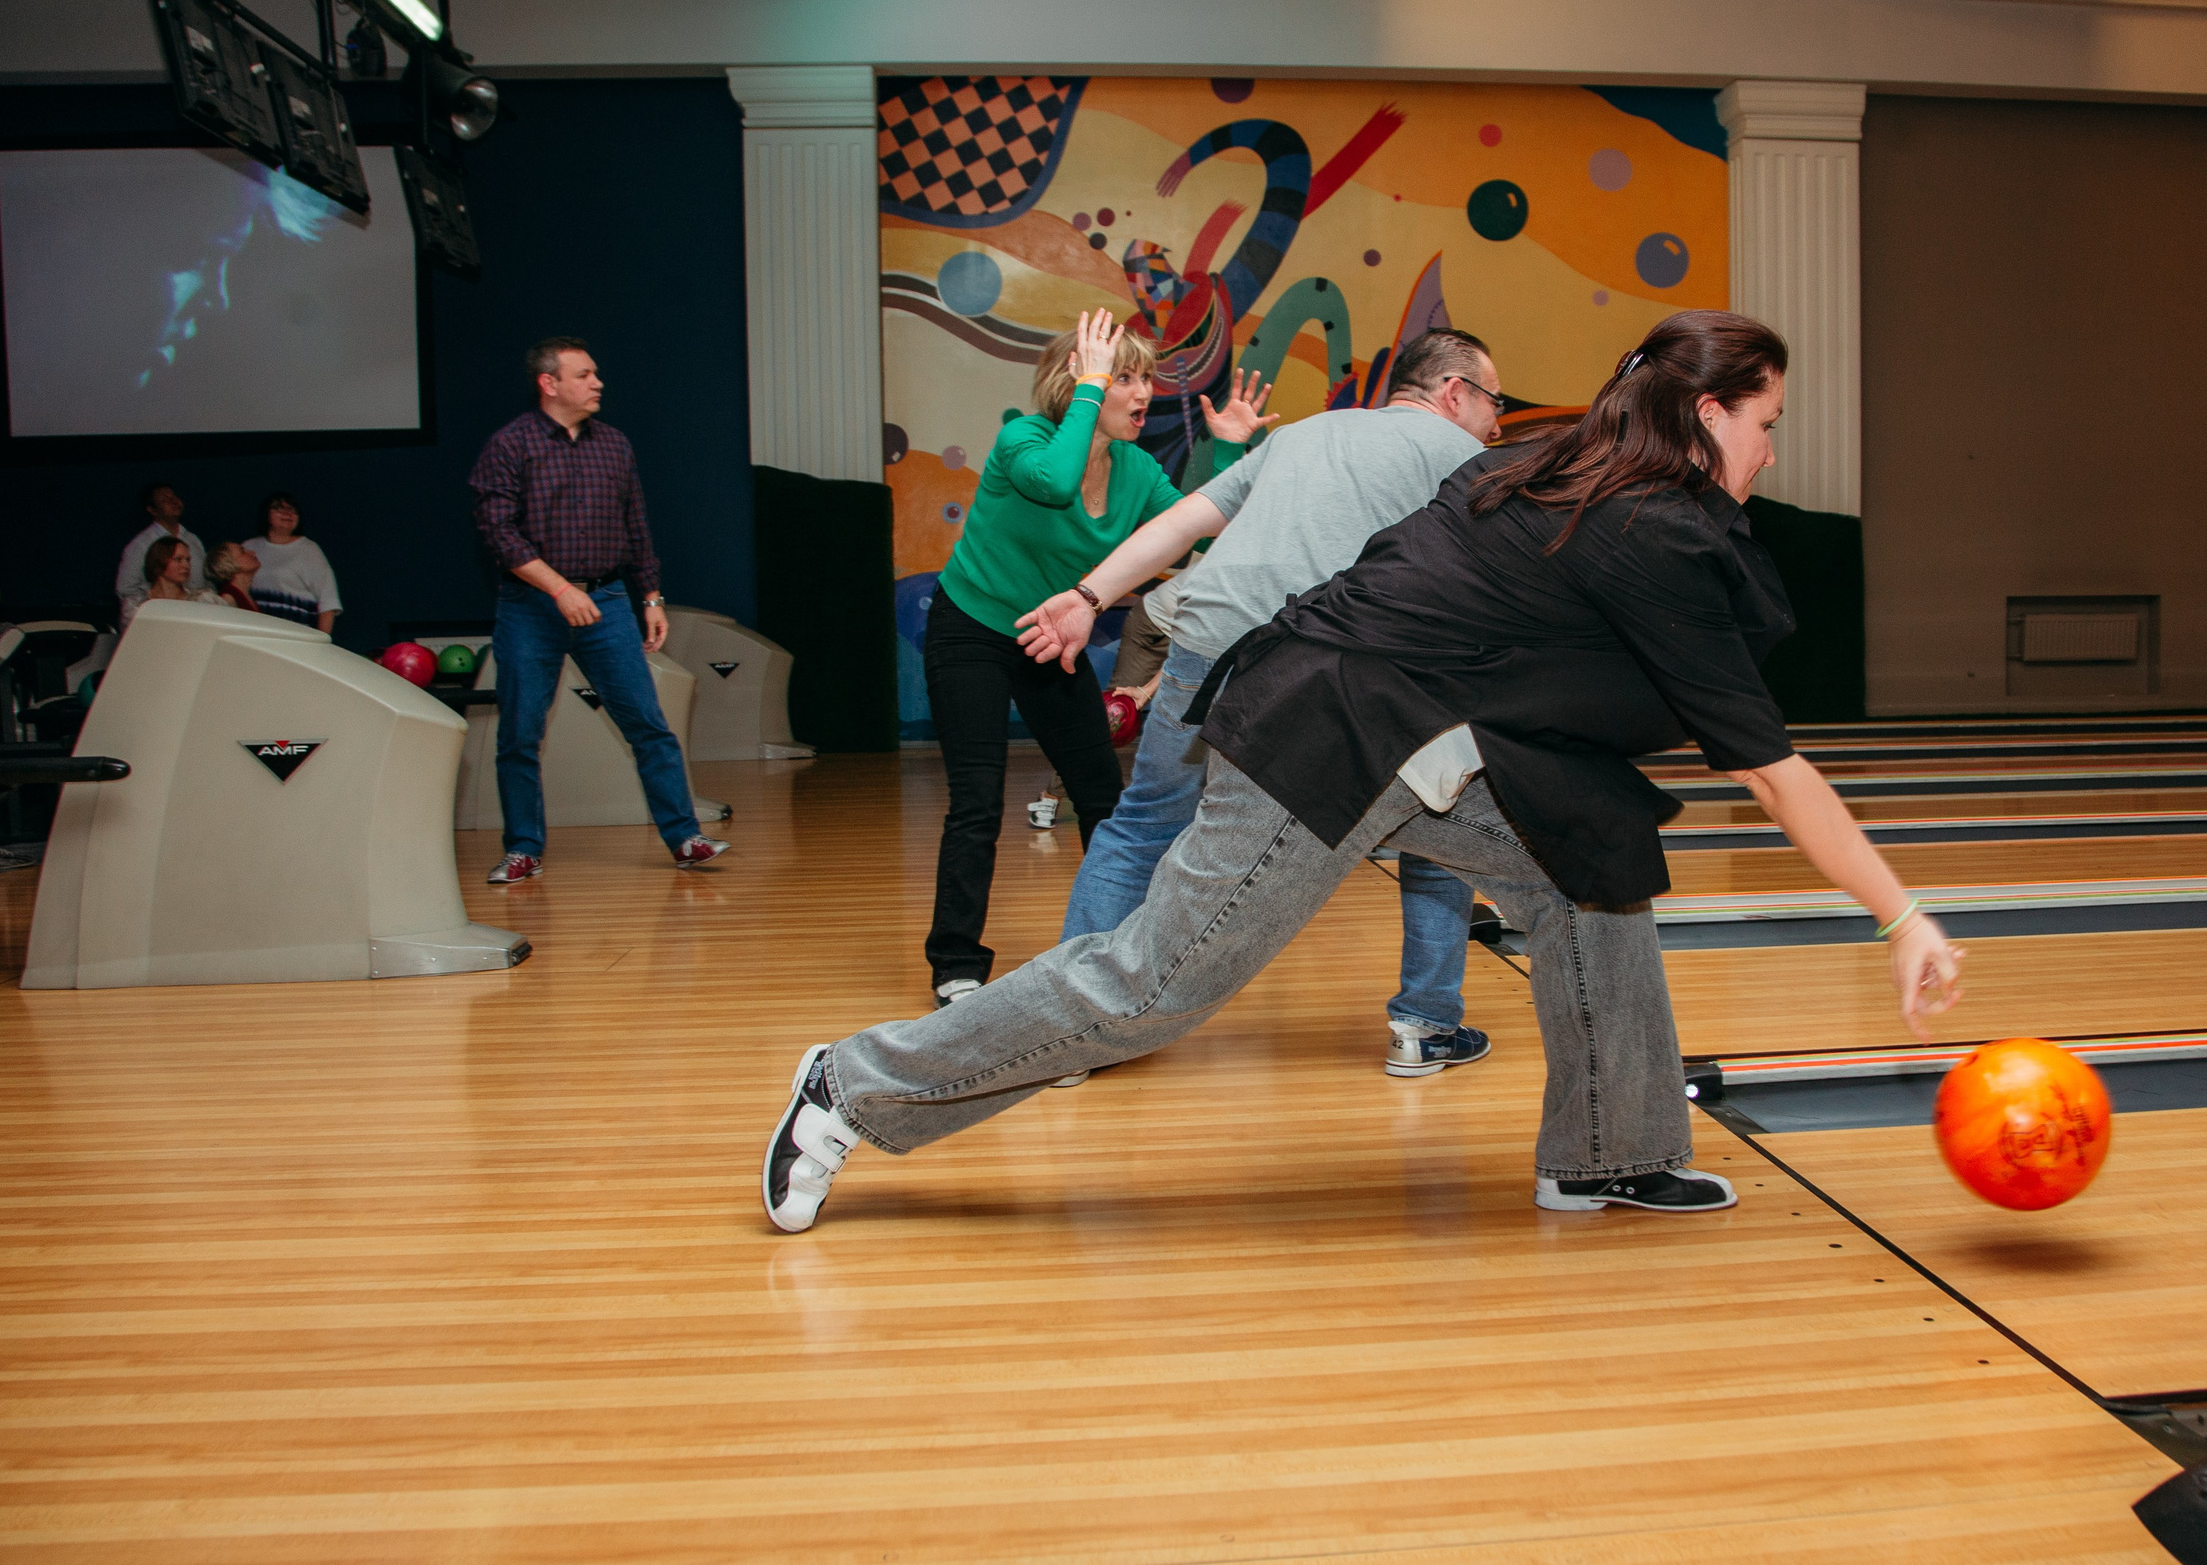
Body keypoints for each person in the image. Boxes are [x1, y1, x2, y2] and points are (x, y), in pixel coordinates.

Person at [760, 309, 1966, 1235]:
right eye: (1765, 422)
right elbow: (1769, 768)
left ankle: (1609, 1148)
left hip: (1425, 742)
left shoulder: (1571, 474)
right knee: (1155, 984)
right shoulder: (1636, 525)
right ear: (1707, 415)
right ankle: (850, 1086)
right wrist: (1899, 915)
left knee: (1589, 865)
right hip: (1326, 734)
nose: (1769, 446)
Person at [1019, 328, 1507, 1077]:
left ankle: (1059, 1034)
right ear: (1452, 392)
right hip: (1321, 663)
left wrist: (1092, 595)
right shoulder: (1462, 459)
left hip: (1208, 633)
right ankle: (1427, 1023)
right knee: (1437, 821)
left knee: (1143, 823)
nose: (1498, 423)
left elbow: (1184, 524)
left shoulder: (1308, 432)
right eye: (1494, 402)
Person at [919, 307, 1261, 1008]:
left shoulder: (1135, 470)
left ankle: (1119, 952)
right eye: (1124, 378)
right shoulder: (1024, 439)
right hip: (973, 630)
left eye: (1147, 380)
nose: (1144, 394)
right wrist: (1089, 386)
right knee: (978, 801)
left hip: (1054, 640)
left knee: (1104, 795)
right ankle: (956, 961)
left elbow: (1197, 535)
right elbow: (1052, 481)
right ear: (1081, 382)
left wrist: (1224, 449)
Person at [468, 335, 726, 883]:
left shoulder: (614, 445)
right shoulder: (509, 445)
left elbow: (637, 527)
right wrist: (560, 589)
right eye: (584, 375)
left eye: (595, 374)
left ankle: (685, 838)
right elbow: (497, 533)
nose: (597, 383)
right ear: (549, 383)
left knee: (649, 725)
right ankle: (523, 849)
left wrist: (651, 597)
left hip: (606, 601)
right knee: (519, 732)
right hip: (531, 607)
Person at [244, 493, 343, 632]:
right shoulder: (249, 547)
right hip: (255, 632)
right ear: (266, 514)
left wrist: (320, 646)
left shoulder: (309, 550)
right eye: (279, 508)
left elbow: (328, 603)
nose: (287, 513)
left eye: (293, 510)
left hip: (295, 635)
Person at [115, 484, 206, 607]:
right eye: (165, 499)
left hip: (198, 610)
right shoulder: (142, 544)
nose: (173, 501)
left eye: (174, 496)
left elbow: (206, 580)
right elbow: (125, 589)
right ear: (152, 509)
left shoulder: (192, 539)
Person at [119, 536, 227, 630]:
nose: (186, 565)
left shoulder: (204, 601)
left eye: (188, 560)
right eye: (178, 559)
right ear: (158, 562)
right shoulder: (136, 608)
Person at [205, 541, 263, 613]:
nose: (252, 552)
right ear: (228, 563)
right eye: (243, 552)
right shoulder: (228, 598)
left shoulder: (246, 595)